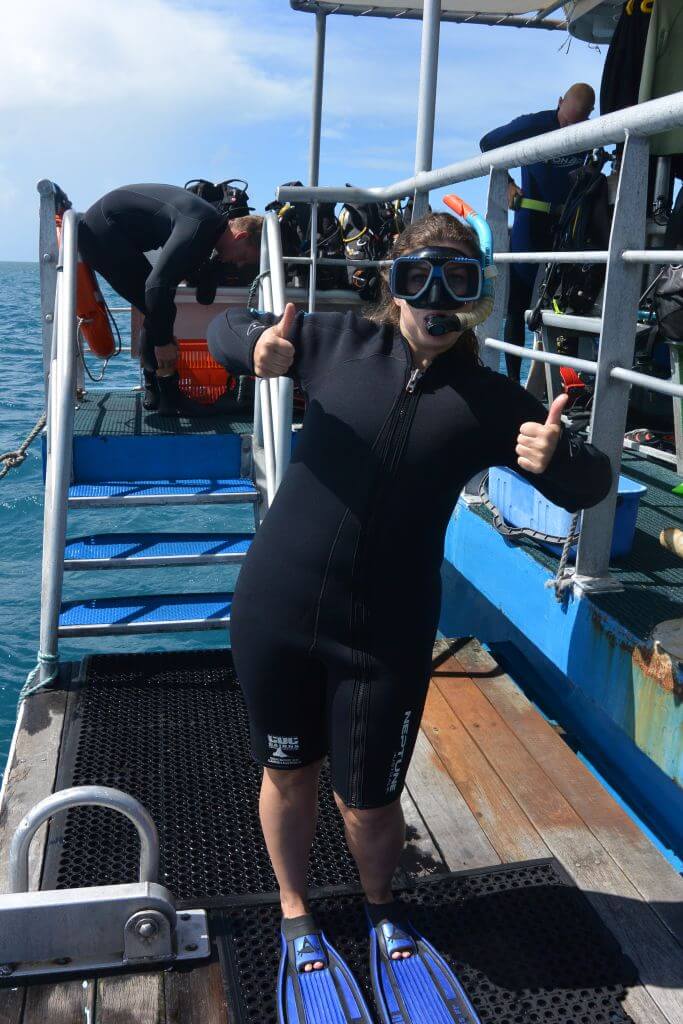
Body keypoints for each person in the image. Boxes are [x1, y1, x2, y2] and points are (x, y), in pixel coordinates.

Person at [207, 211, 612, 1024]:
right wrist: (252, 349)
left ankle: (382, 907)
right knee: (286, 771)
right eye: (417, 277)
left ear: (476, 300)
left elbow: (589, 483)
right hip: (275, 611)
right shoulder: (328, 344)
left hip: (383, 632)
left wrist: (559, 460)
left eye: (456, 282)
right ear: (389, 286)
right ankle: (296, 913)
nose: (434, 298)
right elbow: (227, 324)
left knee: (371, 796)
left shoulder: (491, 401)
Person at [78, 183, 262, 414]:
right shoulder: (202, 226)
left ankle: (155, 389)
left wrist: (210, 272)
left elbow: (188, 284)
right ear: (241, 236)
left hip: (109, 228)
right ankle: (168, 395)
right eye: (244, 257)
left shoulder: (209, 228)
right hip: (102, 230)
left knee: (158, 306)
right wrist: (164, 343)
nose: (239, 264)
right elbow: (155, 286)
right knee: (157, 302)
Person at [480, 84, 595, 382]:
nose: (569, 129)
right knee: (518, 306)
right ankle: (512, 380)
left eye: (578, 123)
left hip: (567, 226)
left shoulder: (591, 132)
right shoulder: (534, 124)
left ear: (589, 117)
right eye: (566, 122)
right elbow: (487, 143)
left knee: (564, 305)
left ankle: (566, 382)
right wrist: (505, 182)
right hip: (530, 223)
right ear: (559, 103)